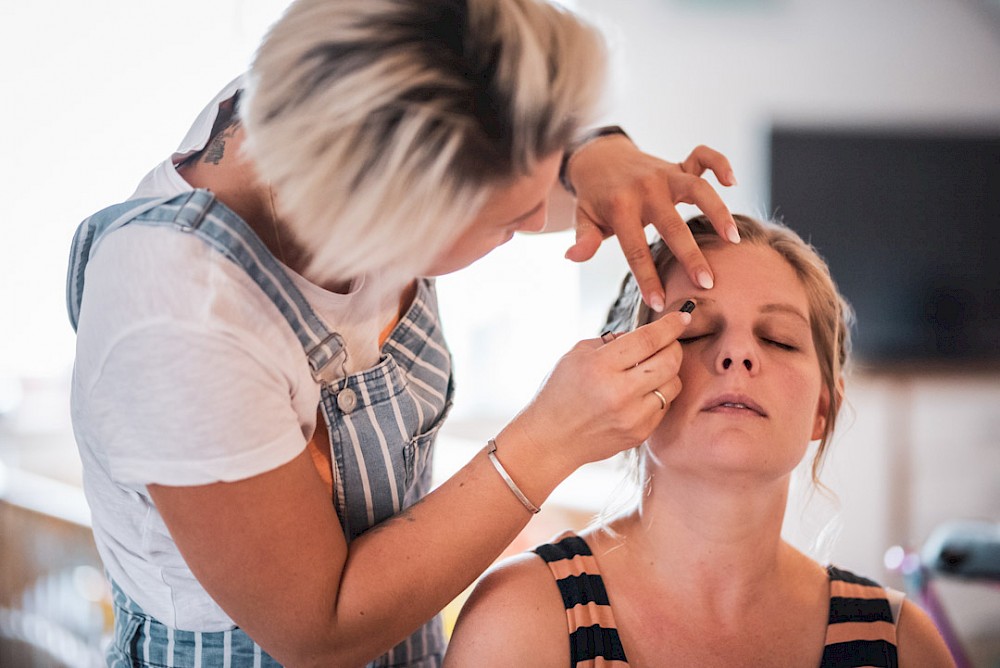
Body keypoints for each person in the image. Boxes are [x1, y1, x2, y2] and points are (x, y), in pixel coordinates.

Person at [66, 1, 740, 666]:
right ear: (385, 220)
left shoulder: (342, 89)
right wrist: (549, 440)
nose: (545, 219)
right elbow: (318, 629)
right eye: (510, 220)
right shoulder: (179, 318)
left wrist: (594, 153)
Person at [444, 214, 957, 668]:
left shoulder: (900, 643)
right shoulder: (523, 620)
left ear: (824, 408)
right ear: (630, 379)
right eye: (694, 331)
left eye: (777, 339)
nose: (738, 354)